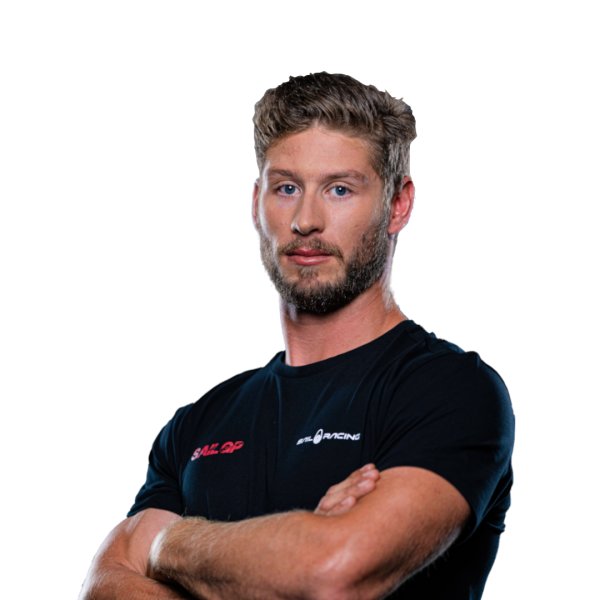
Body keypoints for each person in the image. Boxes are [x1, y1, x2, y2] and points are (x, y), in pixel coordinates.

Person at [79, 72, 514, 600]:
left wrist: (164, 542)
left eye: (339, 189)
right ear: (257, 202)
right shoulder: (196, 426)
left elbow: (333, 572)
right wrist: (294, 550)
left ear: (397, 205)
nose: (306, 220)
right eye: (286, 188)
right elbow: (105, 586)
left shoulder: (449, 391)